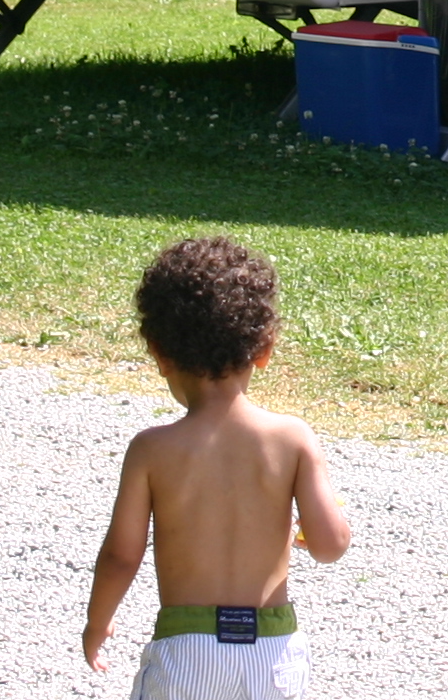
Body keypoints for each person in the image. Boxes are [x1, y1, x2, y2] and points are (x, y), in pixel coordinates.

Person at [86, 236, 353, 694]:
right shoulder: (293, 439)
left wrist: (98, 621)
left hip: (187, 652)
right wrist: (302, 532)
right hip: (271, 654)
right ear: (264, 348)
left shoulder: (152, 450)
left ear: (159, 354)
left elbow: (121, 555)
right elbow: (331, 544)